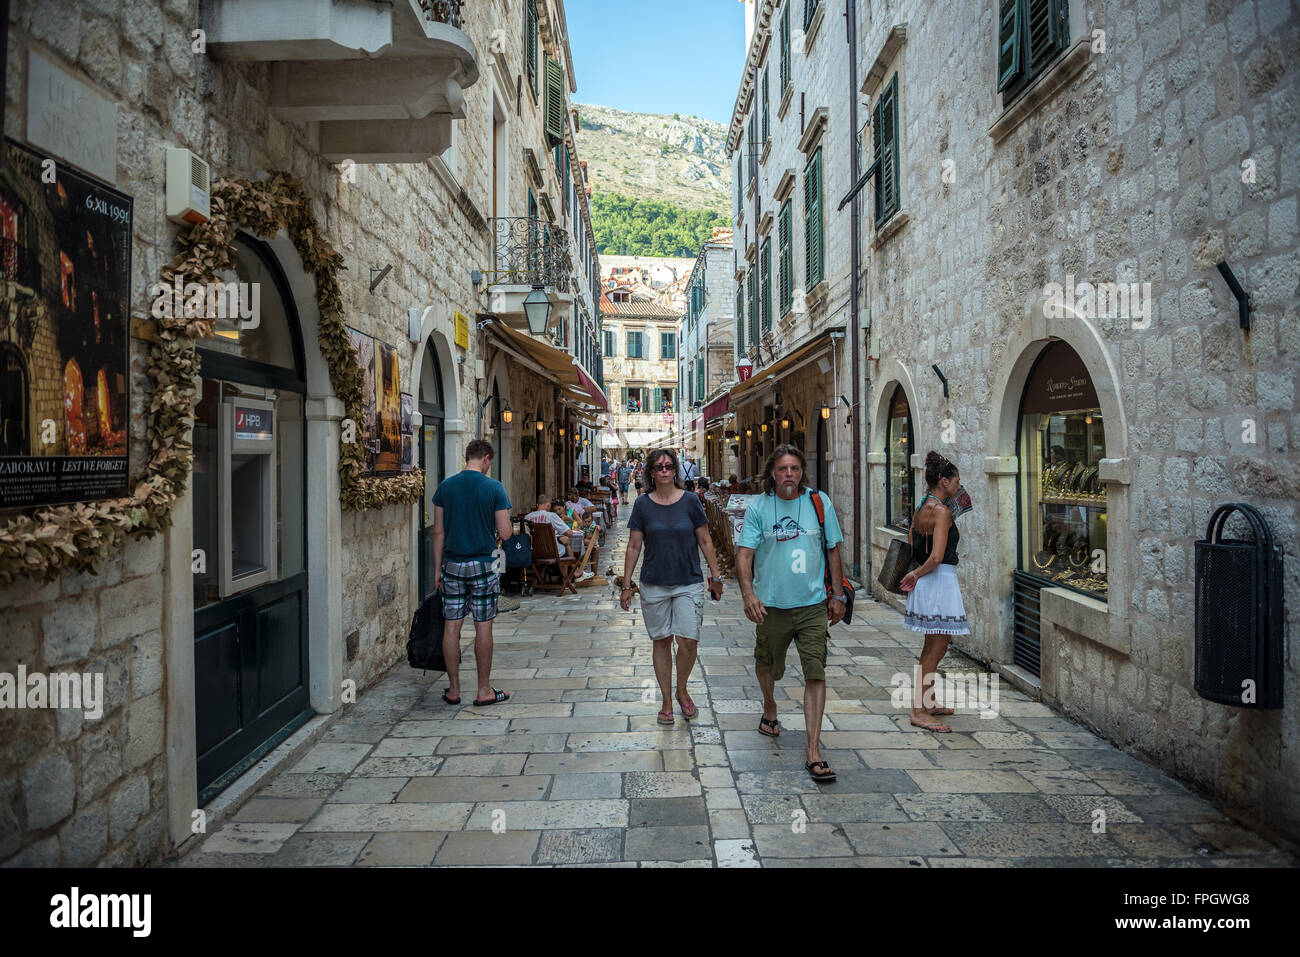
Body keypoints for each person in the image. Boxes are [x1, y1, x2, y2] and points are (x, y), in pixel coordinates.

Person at [735, 444, 846, 783]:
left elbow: (833, 549)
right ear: (772, 472)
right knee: (766, 664)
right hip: (771, 606)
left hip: (812, 604)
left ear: (802, 473)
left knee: (816, 671)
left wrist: (837, 595)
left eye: (794, 469)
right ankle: (770, 706)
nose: (789, 475)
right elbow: (743, 556)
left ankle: (813, 751)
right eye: (783, 469)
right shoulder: (759, 507)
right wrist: (748, 594)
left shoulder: (819, 503)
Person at [621, 447, 724, 725]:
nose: (664, 471)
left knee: (688, 640)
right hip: (654, 582)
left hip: (688, 580)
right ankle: (666, 701)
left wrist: (716, 576)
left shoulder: (691, 501)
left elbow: (705, 540)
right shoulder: (643, 504)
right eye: (658, 467)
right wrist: (626, 584)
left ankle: (682, 689)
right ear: (651, 473)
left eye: (668, 466)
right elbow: (633, 546)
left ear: (675, 470)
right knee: (662, 640)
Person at [431, 438, 513, 707]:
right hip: (483, 564)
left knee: (452, 626)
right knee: (483, 624)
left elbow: (438, 532)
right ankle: (483, 690)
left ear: (468, 457)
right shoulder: (494, 488)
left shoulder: (445, 487)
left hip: (452, 564)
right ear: (487, 458)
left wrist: (437, 570)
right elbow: (505, 533)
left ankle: (453, 690)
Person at [899, 452, 970, 733]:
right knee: (935, 648)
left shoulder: (921, 508)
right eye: (956, 482)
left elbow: (913, 539)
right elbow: (937, 556)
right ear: (944, 481)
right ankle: (919, 710)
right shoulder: (942, 512)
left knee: (934, 647)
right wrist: (916, 574)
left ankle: (927, 702)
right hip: (937, 581)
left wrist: (917, 573)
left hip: (930, 582)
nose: (958, 487)